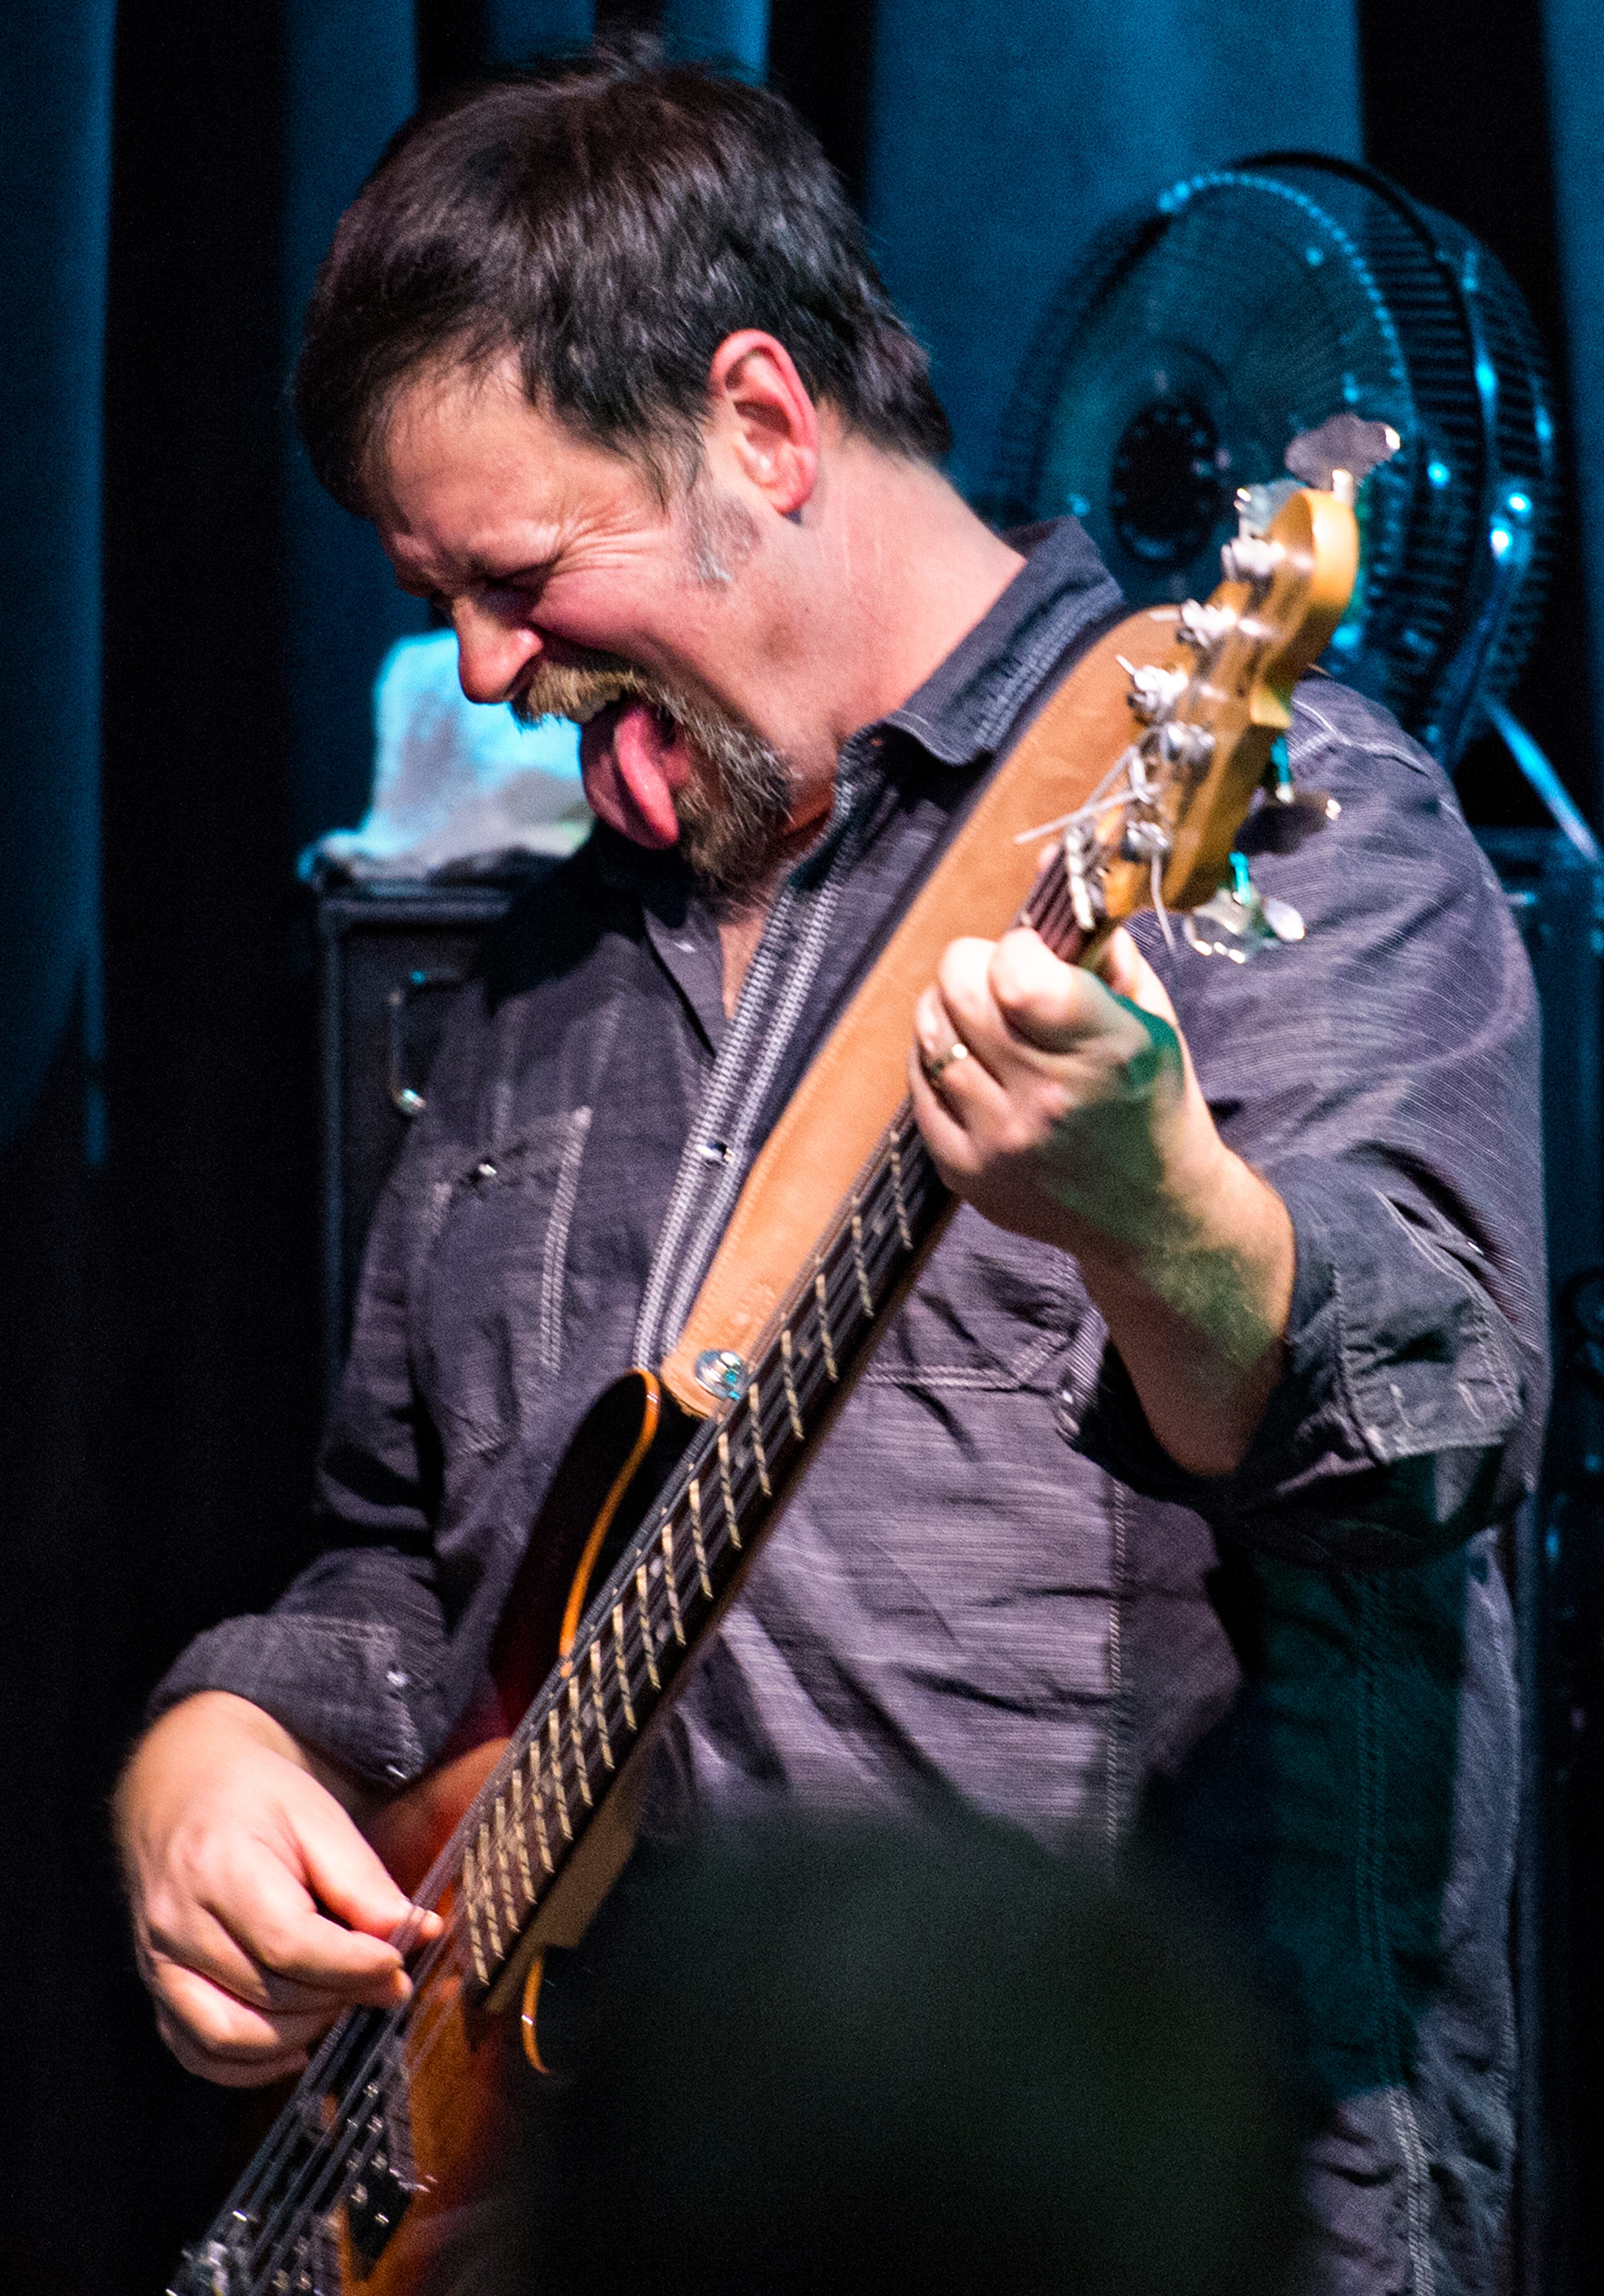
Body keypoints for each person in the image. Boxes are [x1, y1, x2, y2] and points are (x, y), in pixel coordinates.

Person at [114, 48, 1546, 2296]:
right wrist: (214, 1742)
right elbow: (412, 1564)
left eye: (513, 571)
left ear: (766, 428)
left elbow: (1441, 1432)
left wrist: (1166, 1220)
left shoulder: (1279, 819)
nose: (481, 671)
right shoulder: (543, 978)